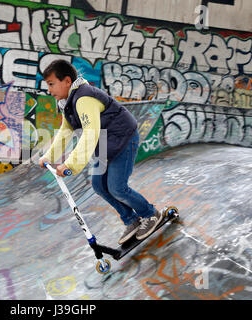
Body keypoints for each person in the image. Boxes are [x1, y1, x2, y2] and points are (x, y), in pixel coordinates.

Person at [38, 59, 162, 243]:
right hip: (105, 146)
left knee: (117, 188)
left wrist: (71, 164)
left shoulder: (84, 98)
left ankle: (150, 214)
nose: (49, 90)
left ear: (66, 81)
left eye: (51, 84)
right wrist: (49, 157)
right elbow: (65, 131)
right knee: (99, 186)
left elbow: (90, 132)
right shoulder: (67, 104)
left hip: (123, 139)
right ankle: (132, 220)